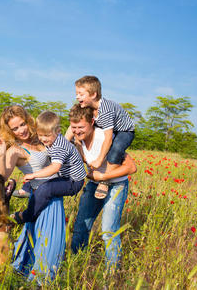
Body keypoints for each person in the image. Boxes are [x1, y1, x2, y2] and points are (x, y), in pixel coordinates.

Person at [0, 105, 65, 284]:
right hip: (41, 198)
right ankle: (39, 283)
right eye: (14, 128)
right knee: (48, 245)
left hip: (56, 197)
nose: (21, 130)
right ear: (9, 131)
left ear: (28, 120)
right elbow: (0, 178)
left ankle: (33, 280)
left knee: (45, 242)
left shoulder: (42, 136)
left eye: (22, 124)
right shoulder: (15, 150)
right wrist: (1, 157)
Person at [69, 104, 137, 273]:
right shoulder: (77, 140)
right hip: (94, 185)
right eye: (74, 127)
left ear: (92, 122)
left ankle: (112, 273)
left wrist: (102, 177)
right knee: (80, 226)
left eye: (81, 127)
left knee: (108, 231)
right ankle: (77, 265)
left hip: (116, 185)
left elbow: (131, 167)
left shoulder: (104, 137)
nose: (77, 131)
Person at [66, 75, 135, 199]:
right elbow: (75, 125)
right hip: (111, 129)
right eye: (77, 94)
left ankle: (104, 181)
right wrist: (65, 142)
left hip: (124, 131)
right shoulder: (88, 107)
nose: (77, 97)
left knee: (116, 148)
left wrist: (99, 160)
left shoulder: (105, 111)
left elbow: (108, 138)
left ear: (93, 94)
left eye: (81, 94)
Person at [12, 111, 86, 224]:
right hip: (65, 176)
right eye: (40, 135)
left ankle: (27, 216)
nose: (43, 139)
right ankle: (27, 189)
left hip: (73, 182)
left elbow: (55, 168)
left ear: (58, 131)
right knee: (42, 177)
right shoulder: (54, 139)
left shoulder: (59, 147)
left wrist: (33, 175)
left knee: (45, 189)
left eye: (46, 135)